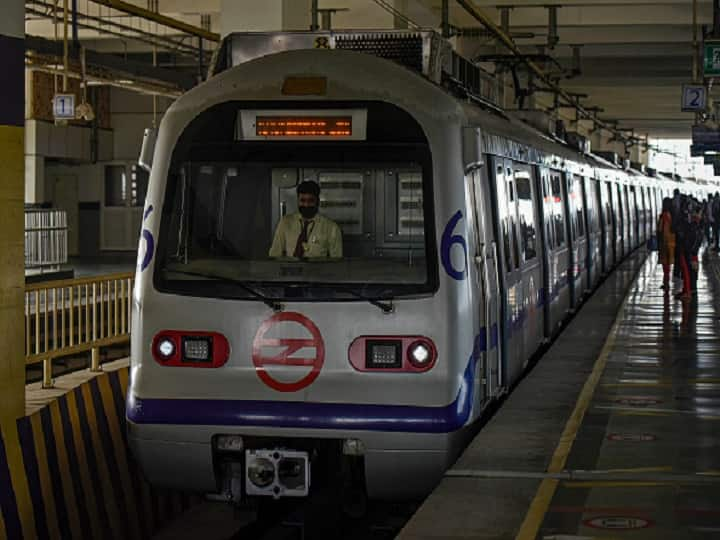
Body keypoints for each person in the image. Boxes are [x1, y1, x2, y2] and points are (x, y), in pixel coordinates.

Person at [268, 180, 343, 259]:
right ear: (298, 201)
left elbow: (336, 264)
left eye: (310, 201)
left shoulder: (331, 228)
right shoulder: (285, 223)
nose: (306, 205)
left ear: (318, 201)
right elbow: (274, 256)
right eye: (302, 201)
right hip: (291, 270)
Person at [657, 197, 675, 291]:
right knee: (668, 264)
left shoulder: (664, 216)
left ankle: (666, 283)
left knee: (665, 265)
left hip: (665, 243)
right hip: (672, 242)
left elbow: (661, 230)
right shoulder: (672, 215)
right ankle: (666, 282)